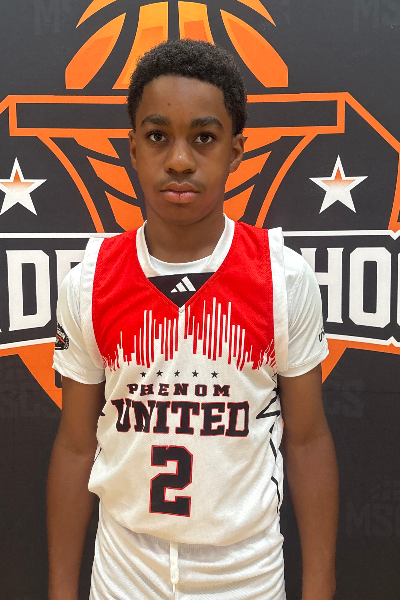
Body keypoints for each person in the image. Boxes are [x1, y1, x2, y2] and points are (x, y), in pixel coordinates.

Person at [48, 39, 338, 600]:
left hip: (246, 574)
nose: (179, 160)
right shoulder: (89, 281)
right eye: (158, 136)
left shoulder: (282, 277)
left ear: (236, 150)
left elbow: (307, 440)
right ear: (133, 148)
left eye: (203, 137)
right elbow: (76, 446)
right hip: (123, 573)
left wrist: (320, 586)